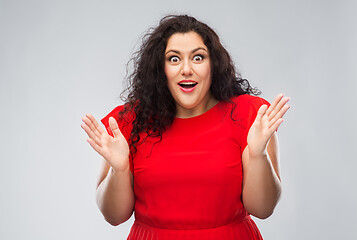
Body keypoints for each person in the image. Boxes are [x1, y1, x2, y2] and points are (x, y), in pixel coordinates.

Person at [81, 15, 290, 240]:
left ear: (213, 64)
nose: (186, 69)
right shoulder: (127, 122)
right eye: (174, 59)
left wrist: (258, 155)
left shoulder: (251, 116)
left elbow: (263, 209)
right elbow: (114, 216)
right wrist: (119, 169)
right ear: (160, 69)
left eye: (198, 57)